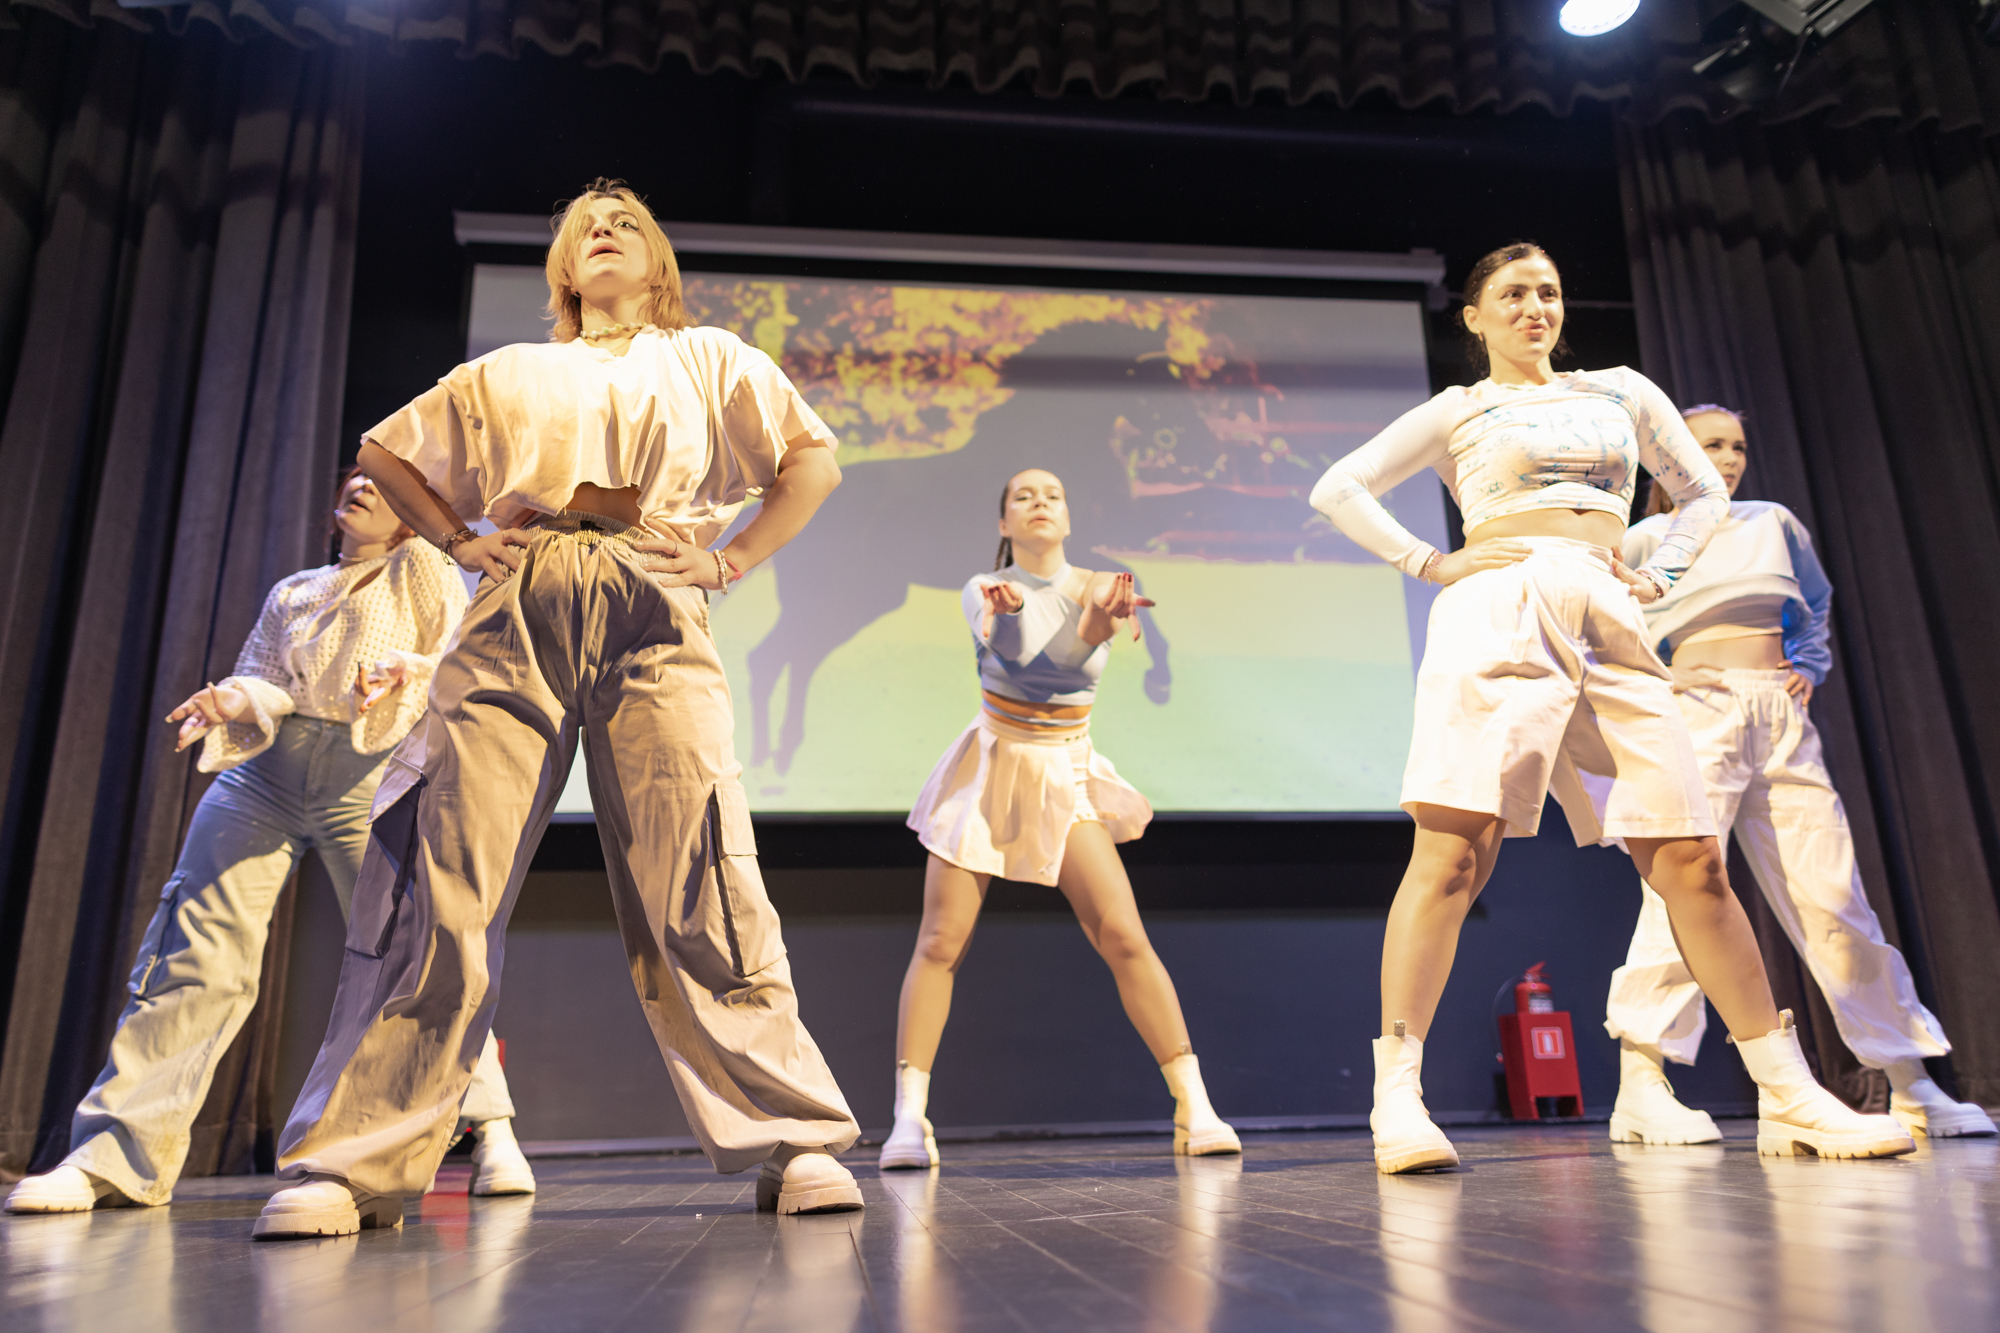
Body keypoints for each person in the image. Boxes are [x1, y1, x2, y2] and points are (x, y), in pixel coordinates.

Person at [252, 179, 861, 1240]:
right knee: (445, 873)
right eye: (586, 231)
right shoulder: (511, 370)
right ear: (565, 271)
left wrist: (728, 561)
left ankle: (791, 1136)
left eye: (625, 224)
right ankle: (352, 1161)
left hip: (652, 593)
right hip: (518, 598)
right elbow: (386, 451)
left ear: (657, 259)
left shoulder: (712, 358)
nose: (605, 234)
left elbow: (813, 463)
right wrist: (456, 539)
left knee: (700, 870)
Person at [1307, 242, 1914, 1173]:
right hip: (1499, 603)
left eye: (1548, 292)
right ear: (1474, 316)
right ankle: (1399, 1095)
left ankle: (1789, 1095)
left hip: (1610, 604)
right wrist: (1431, 561)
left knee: (1692, 858)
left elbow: (1701, 492)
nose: (1535, 307)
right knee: (1455, 850)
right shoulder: (1461, 407)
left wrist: (1658, 574)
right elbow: (1338, 486)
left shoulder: (1621, 390)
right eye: (1513, 294)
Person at [5, 470, 533, 1216]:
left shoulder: (422, 564)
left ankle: (490, 1129)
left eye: (378, 481)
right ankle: (112, 1156)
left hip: (369, 770)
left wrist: (404, 672)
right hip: (271, 772)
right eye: (353, 478)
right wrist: (233, 696)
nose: (361, 484)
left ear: (408, 515)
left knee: (414, 959)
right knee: (191, 949)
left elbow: (454, 653)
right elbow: (269, 681)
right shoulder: (296, 590)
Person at [1603, 405, 1995, 1143]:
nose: (1727, 458)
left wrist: (1808, 665)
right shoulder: (1647, 537)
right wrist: (1661, 680)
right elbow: (1605, 633)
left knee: (1835, 896)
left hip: (1779, 715)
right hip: (1696, 715)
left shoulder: (1773, 522)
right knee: (1681, 895)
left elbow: (1814, 605)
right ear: (1669, 455)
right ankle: (1641, 1081)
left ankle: (1909, 1080)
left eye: (1736, 446)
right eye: (1709, 444)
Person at [883, 468, 1239, 1170]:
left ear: (1069, 517)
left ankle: (1194, 1105)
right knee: (941, 940)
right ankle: (907, 1119)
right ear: (1004, 524)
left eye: (1052, 494)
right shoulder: (984, 589)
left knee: (1123, 933)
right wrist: (1023, 616)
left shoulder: (1105, 585)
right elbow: (1024, 667)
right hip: (990, 766)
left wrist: (1101, 619)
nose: (1040, 502)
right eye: (1023, 496)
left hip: (1065, 769)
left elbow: (1071, 670)